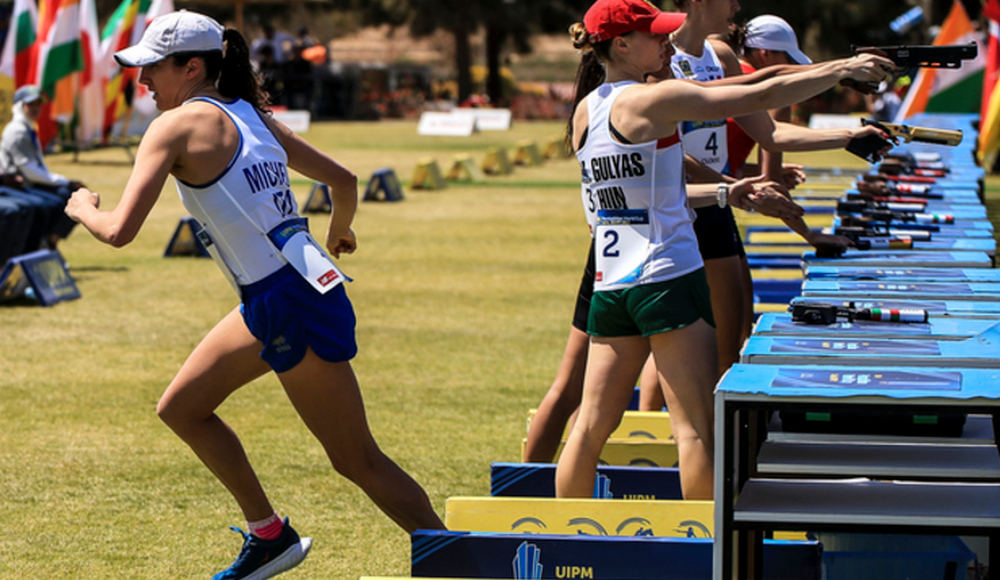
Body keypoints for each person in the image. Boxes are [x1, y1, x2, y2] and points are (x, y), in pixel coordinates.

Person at [65, 11, 445, 580]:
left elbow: (119, 231)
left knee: (356, 459)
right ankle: (269, 536)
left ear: (191, 67)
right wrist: (339, 230)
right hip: (280, 294)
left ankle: (459, 555)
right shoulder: (253, 116)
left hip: (285, 299)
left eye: (151, 70)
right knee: (181, 409)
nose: (143, 83)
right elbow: (344, 181)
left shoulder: (173, 128)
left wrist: (82, 210)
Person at [554, 0, 893, 500]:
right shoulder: (650, 101)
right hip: (667, 277)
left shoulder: (587, 108)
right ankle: (704, 553)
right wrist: (841, 69)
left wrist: (728, 191)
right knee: (694, 430)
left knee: (588, 429)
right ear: (621, 45)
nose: (666, 41)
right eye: (654, 35)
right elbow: (759, 91)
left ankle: (569, 546)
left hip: (612, 285)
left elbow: (650, 192)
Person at [0, 85, 82, 249]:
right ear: (19, 106)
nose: (36, 108)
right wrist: (64, 181)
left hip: (27, 182)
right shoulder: (17, 131)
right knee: (52, 203)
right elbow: (29, 171)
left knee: (73, 196)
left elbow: (38, 168)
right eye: (31, 104)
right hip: (18, 184)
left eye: (38, 104)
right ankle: (36, 247)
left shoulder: (28, 128)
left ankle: (48, 242)